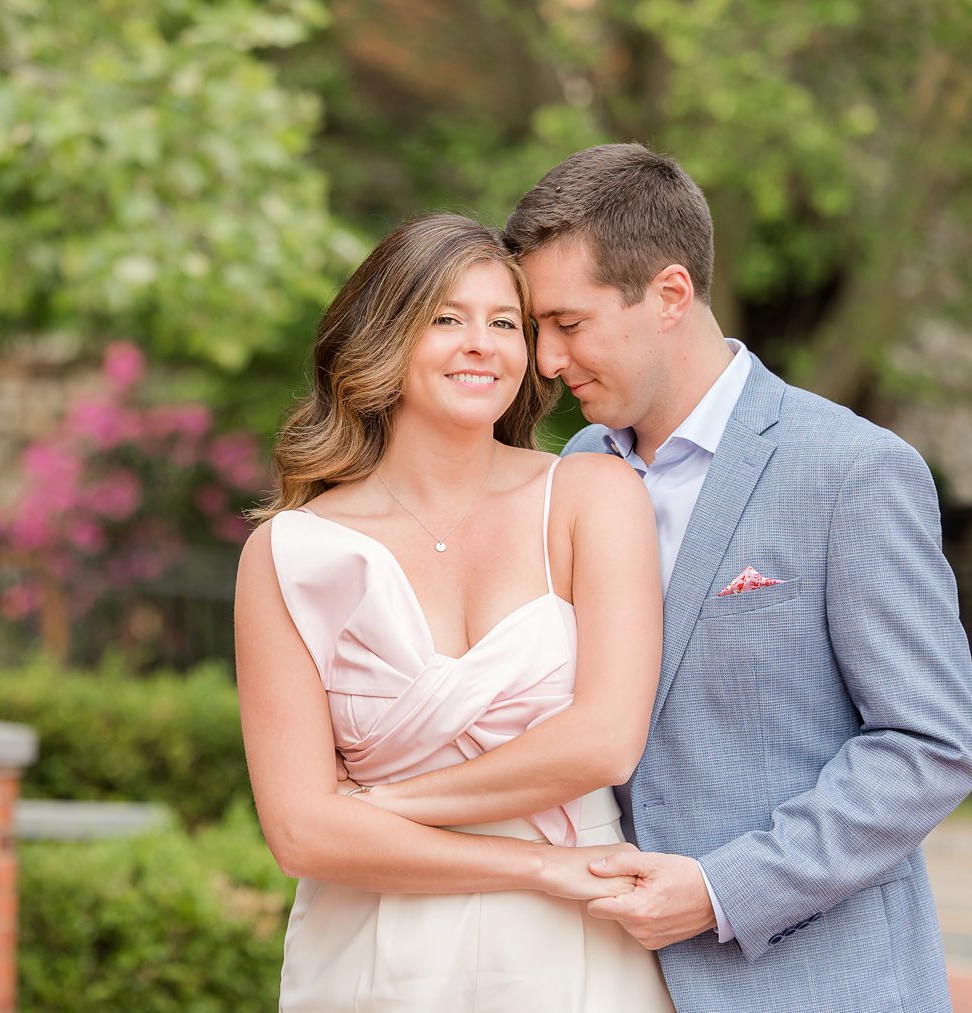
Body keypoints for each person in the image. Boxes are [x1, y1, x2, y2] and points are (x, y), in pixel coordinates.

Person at [350, 145, 972, 1012]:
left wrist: (725, 888)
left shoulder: (851, 470)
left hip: (815, 983)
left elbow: (930, 745)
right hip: (598, 975)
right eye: (534, 327)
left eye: (568, 324)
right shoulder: (566, 472)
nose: (541, 359)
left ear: (671, 296)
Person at [235, 212, 675, 1010]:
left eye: (505, 322)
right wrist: (538, 867)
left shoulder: (591, 496)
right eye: (447, 318)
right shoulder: (287, 555)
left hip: (574, 945)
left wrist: (377, 807)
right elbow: (299, 832)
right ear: (384, 338)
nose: (483, 343)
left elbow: (605, 742)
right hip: (376, 942)